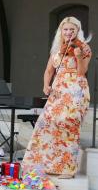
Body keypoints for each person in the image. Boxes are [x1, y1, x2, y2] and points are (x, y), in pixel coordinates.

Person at [22, 16, 92, 178]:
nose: (68, 32)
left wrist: (79, 56)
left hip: (76, 90)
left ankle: (67, 169)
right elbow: (48, 71)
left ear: (77, 31)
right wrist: (46, 85)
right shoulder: (57, 49)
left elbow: (82, 72)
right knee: (46, 124)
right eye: (65, 29)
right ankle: (44, 164)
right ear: (61, 31)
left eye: (72, 29)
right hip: (58, 91)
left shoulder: (84, 48)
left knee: (69, 126)